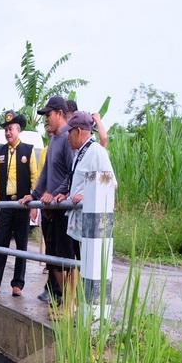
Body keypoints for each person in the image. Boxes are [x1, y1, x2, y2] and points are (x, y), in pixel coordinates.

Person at [55, 111, 117, 312]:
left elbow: (110, 183)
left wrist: (88, 197)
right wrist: (66, 194)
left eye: (70, 133)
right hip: (78, 222)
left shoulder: (96, 151)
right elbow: (78, 183)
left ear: (79, 131)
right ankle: (78, 310)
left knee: (89, 267)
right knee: (79, 266)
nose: (68, 137)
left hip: (90, 225)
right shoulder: (80, 153)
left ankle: (90, 314)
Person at [21, 96, 74, 307]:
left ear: (60, 113)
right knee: (52, 260)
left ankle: (70, 303)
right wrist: (33, 194)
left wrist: (57, 193)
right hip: (49, 210)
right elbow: (46, 173)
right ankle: (64, 300)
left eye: (48, 115)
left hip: (63, 210)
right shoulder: (53, 140)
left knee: (65, 260)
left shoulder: (68, 139)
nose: (46, 120)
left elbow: (73, 173)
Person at [0, 111, 39, 296]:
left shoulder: (28, 150)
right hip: (7, 205)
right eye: (6, 129)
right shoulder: (0, 151)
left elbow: (34, 178)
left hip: (23, 205)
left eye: (11, 129)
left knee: (22, 245)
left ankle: (18, 284)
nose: (8, 132)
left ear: (18, 130)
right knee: (1, 244)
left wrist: (34, 203)